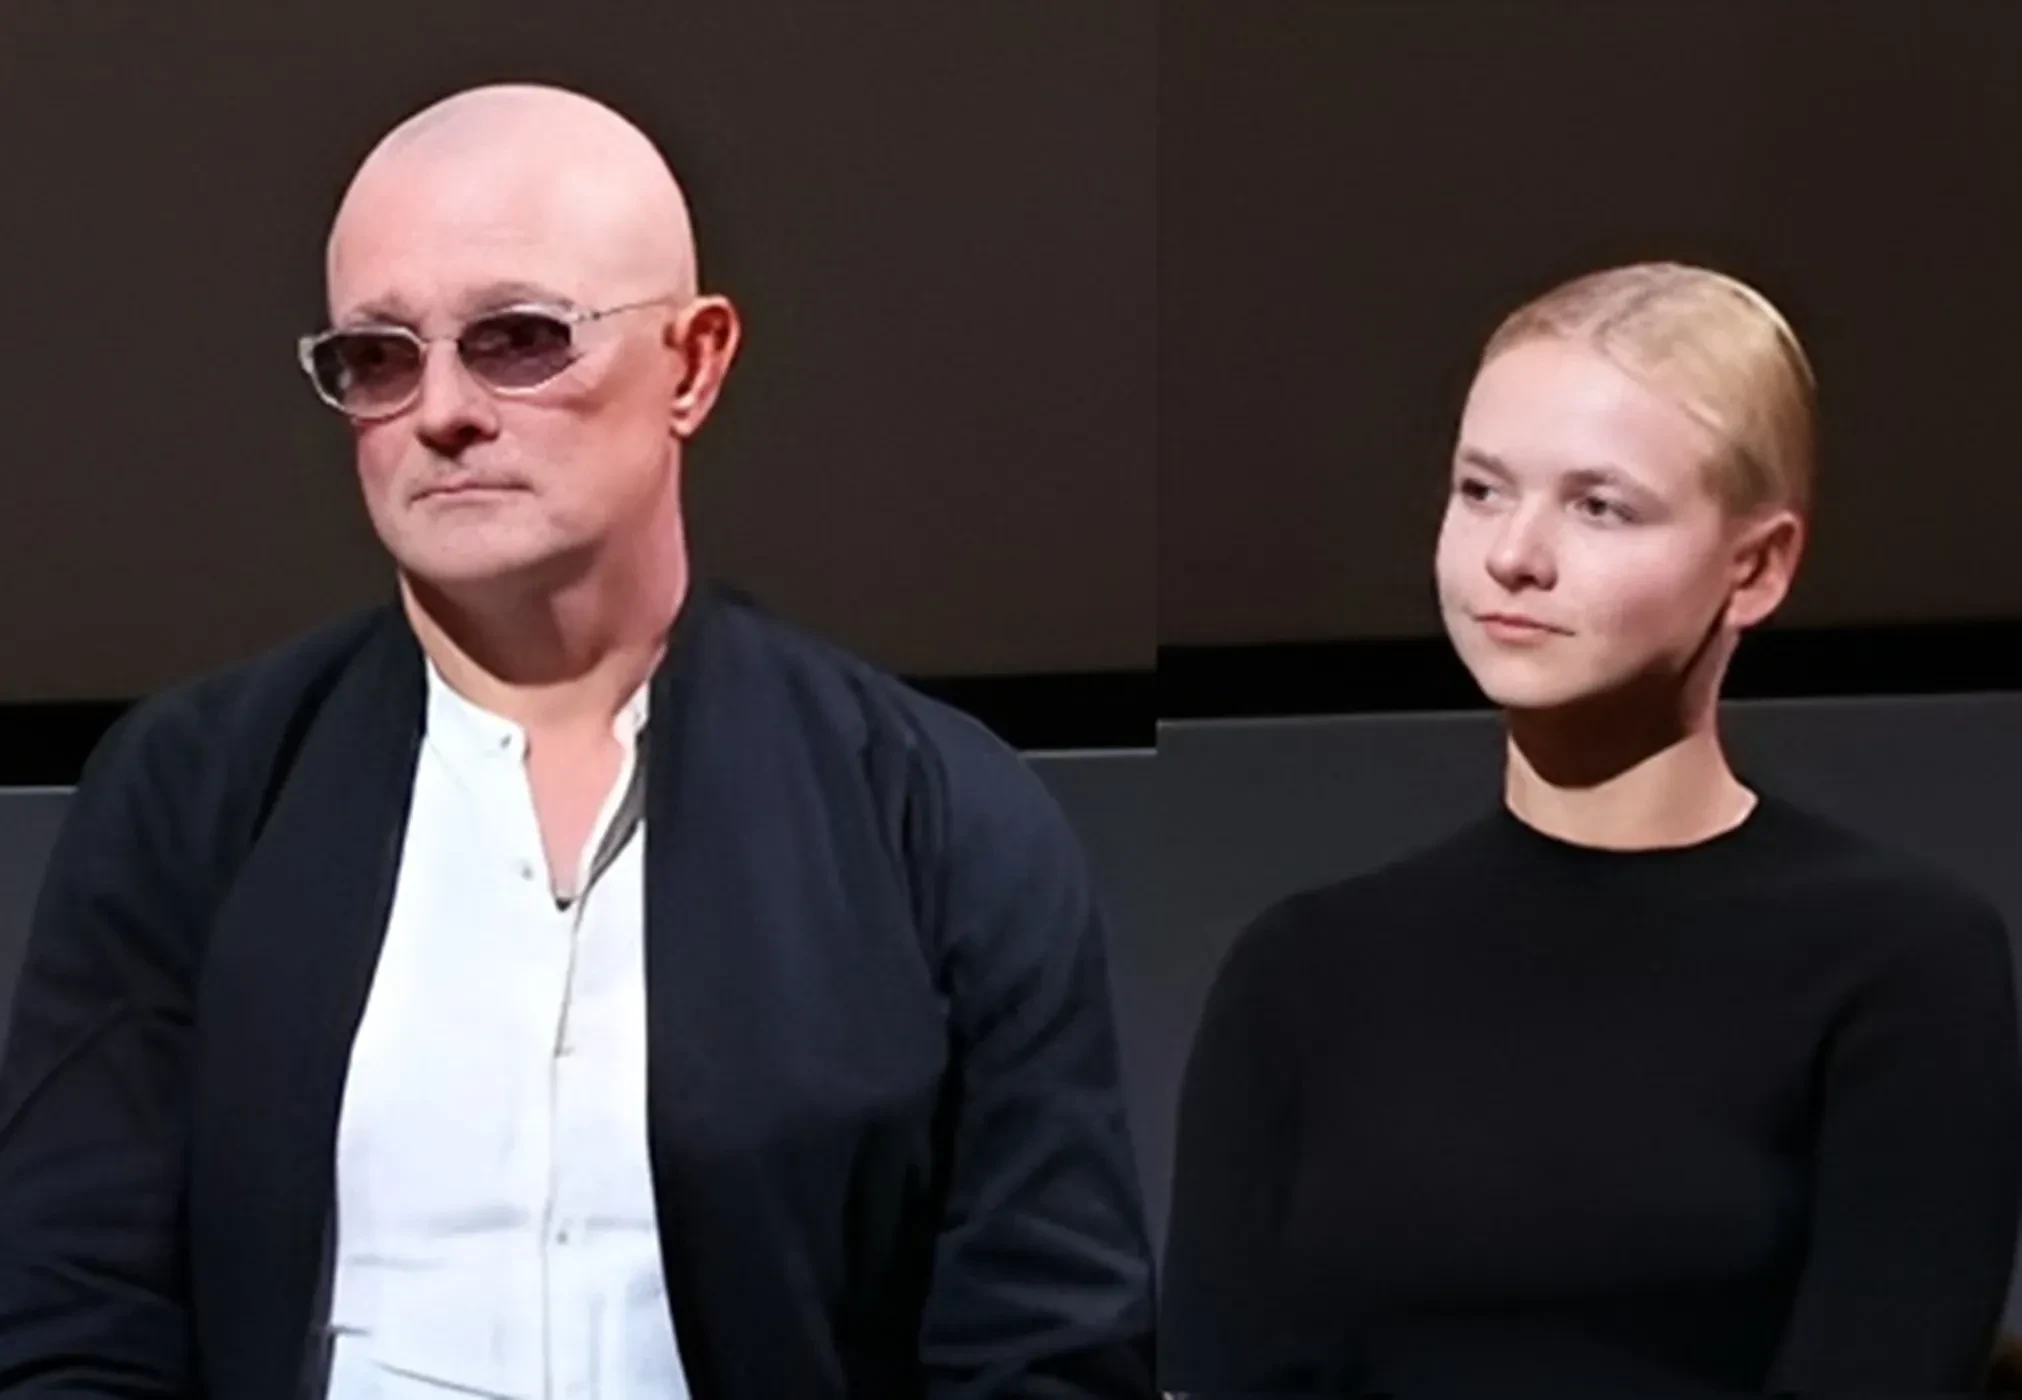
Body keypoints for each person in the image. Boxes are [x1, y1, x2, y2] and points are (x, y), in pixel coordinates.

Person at [0, 83, 1157, 1399]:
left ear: (693, 363)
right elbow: (72, 1308)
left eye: (517, 338)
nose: (442, 409)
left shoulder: (934, 812)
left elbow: (1044, 1341)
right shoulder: (193, 794)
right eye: (379, 357)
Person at [1158, 261, 2022, 1395]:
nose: (1514, 554)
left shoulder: (1896, 961)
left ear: (1757, 567)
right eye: (1481, 489)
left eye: (1599, 504)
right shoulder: (1304, 971)